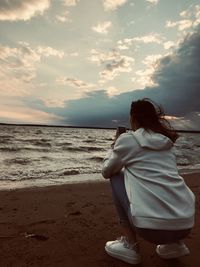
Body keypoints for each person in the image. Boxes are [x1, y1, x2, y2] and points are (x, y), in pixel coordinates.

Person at [102, 98, 195, 265]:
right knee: (163, 179)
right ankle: (174, 244)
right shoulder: (167, 143)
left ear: (133, 119)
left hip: (149, 228)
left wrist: (113, 147)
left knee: (115, 175)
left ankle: (130, 244)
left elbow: (106, 171)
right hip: (184, 225)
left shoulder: (128, 139)